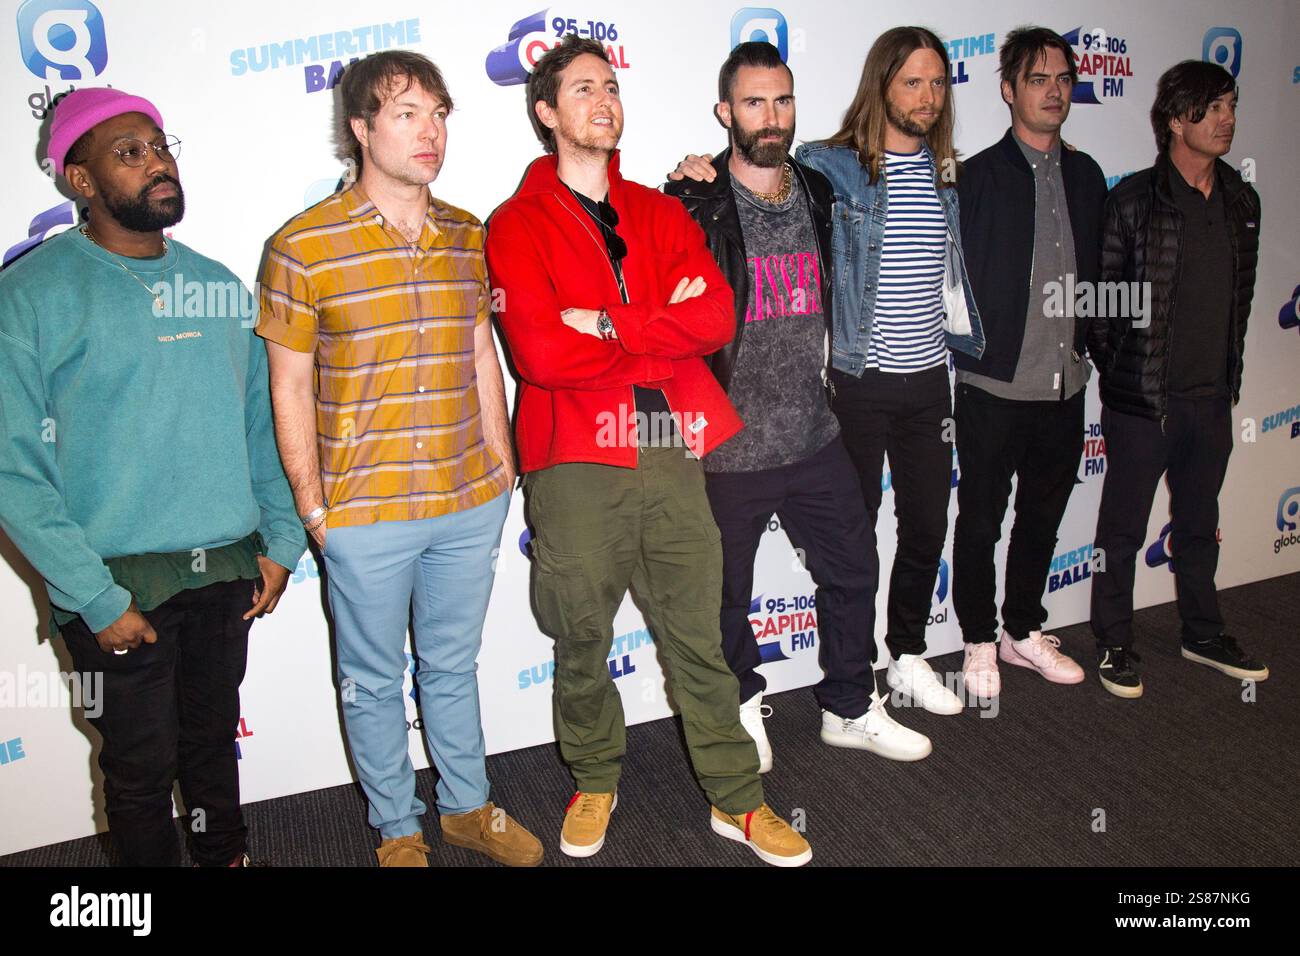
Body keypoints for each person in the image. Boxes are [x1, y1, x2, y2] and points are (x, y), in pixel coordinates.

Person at [486, 34, 811, 866]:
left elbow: (715, 320)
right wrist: (657, 335)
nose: (604, 100)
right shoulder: (515, 224)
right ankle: (595, 776)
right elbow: (540, 356)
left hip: (668, 438)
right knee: (581, 637)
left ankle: (737, 800)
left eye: (611, 86)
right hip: (573, 452)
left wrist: (603, 321)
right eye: (583, 88)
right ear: (547, 112)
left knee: (697, 634)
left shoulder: (664, 210)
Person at [0, 88, 305, 866]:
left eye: (160, 147)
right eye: (128, 153)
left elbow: (261, 427)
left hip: (227, 568)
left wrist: (281, 543)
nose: (156, 164)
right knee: (138, 771)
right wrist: (95, 597)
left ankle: (225, 857)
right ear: (79, 181)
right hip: (112, 584)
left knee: (211, 746)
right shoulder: (29, 297)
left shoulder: (218, 283)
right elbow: (13, 471)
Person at [256, 51, 541, 867]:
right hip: (363, 511)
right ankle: (396, 829)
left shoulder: (467, 234)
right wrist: (316, 511)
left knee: (453, 667)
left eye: (440, 113)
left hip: (467, 497)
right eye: (408, 113)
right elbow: (288, 387)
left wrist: (502, 470)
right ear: (360, 128)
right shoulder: (302, 246)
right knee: (373, 680)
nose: (431, 131)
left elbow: (481, 354)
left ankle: (465, 807)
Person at [664, 41, 932, 769]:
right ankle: (741, 705)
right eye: (754, 102)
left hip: (815, 433)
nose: (771, 116)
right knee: (726, 600)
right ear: (726, 112)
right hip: (727, 447)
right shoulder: (691, 201)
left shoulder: (817, 189)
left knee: (851, 572)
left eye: (782, 100)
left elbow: (887, 149)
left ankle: (849, 705)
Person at [1087, 60, 1265, 698]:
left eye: (1230, 106)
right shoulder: (1133, 201)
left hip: (1211, 400)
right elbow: (1100, 307)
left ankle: (1203, 631)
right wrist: (1128, 379)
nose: (1226, 120)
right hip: (1144, 406)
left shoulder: (1245, 202)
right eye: (1211, 109)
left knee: (1198, 523)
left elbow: (1239, 303)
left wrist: (1223, 382)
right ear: (1174, 121)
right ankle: (1113, 640)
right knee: (1122, 531)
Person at [951, 27, 1108, 699]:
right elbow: (950, 282)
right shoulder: (976, 176)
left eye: (1062, 79)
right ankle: (979, 641)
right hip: (992, 385)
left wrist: (1091, 348)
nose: (1052, 90)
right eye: (1037, 78)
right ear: (1009, 89)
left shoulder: (1086, 173)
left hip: (1065, 385)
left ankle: (1022, 631)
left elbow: (1099, 274)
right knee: (982, 519)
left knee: (1042, 516)